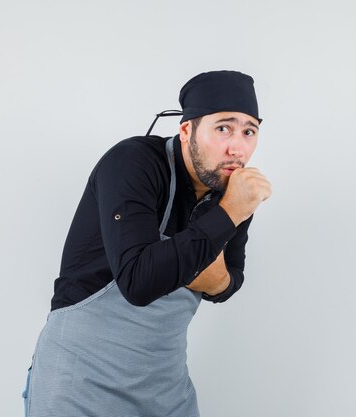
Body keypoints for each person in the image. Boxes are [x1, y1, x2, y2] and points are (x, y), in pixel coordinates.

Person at [22, 70, 271, 417]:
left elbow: (230, 279)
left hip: (164, 389)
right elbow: (139, 283)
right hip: (79, 383)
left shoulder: (231, 192)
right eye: (223, 128)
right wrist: (228, 215)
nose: (237, 147)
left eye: (249, 131)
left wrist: (216, 276)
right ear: (187, 131)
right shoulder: (133, 163)